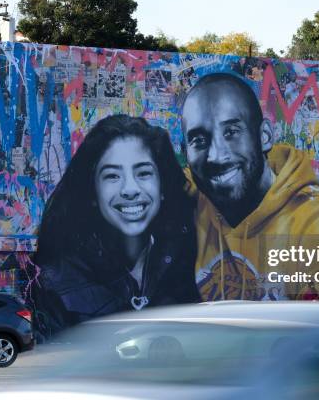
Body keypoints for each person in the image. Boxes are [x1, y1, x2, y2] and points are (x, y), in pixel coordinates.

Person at [180, 73, 319, 301]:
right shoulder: (188, 199)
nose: (215, 156)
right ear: (186, 153)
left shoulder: (318, 220)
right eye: (199, 141)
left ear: (264, 136)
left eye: (231, 132)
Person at [33, 115, 199, 339]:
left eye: (143, 173)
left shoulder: (190, 263)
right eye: (112, 175)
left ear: (162, 186)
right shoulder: (56, 282)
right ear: (93, 191)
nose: (130, 189)